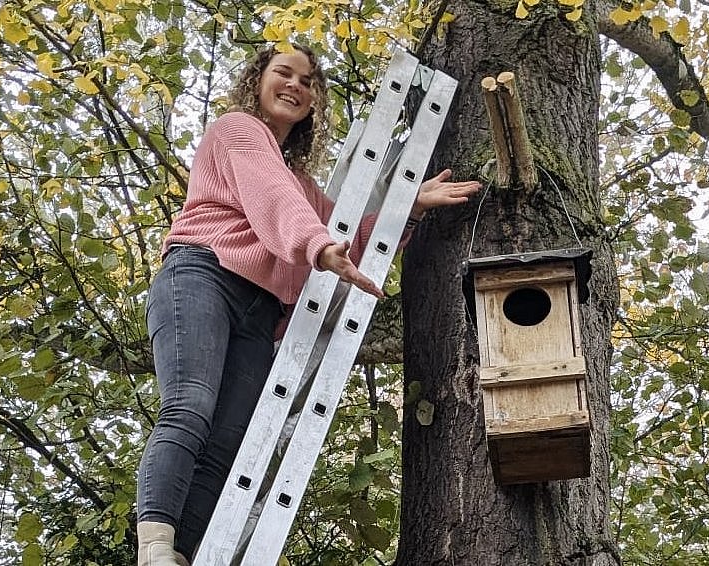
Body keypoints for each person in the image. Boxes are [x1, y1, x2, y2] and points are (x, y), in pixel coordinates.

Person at [135, 44, 480, 566]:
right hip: (202, 275)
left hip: (260, 313)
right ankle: (155, 548)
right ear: (258, 80)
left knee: (229, 441)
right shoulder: (237, 130)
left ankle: (183, 556)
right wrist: (317, 246)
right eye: (284, 72)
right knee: (191, 406)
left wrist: (407, 205)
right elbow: (275, 199)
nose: (296, 85)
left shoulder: (304, 189)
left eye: (309, 80)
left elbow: (347, 236)